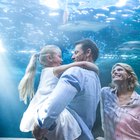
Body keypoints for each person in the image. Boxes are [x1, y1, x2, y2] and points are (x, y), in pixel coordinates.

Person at [18, 44, 99, 140]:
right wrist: (95, 69)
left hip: (41, 105)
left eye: (76, 52)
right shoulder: (55, 70)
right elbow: (81, 64)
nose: (62, 60)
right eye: (59, 57)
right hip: (47, 106)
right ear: (49, 58)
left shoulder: (46, 71)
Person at [100, 63, 140, 140]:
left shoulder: (138, 101)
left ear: (129, 75)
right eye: (113, 71)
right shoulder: (105, 93)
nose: (115, 72)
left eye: (120, 69)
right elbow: (103, 121)